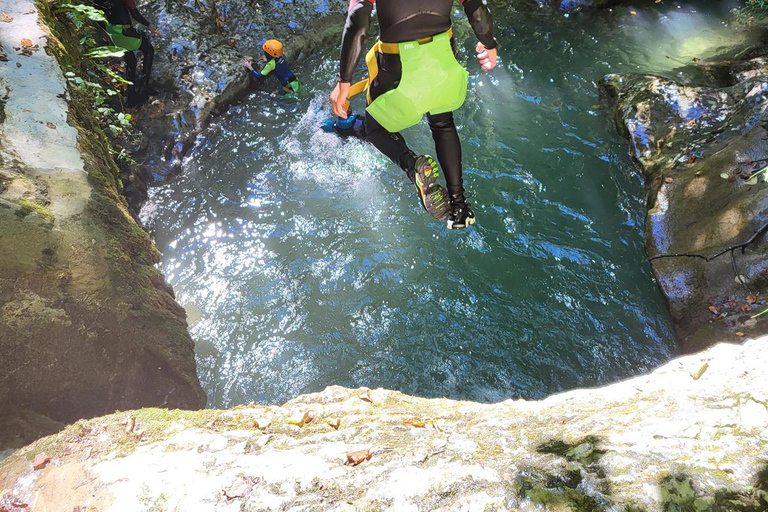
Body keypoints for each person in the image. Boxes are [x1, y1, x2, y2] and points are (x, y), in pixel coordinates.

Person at [330, 0, 497, 229]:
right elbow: (476, 10)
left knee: (375, 128)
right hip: (442, 54)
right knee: (442, 123)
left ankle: (412, 165)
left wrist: (344, 81)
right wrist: (489, 44)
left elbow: (359, 24)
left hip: (398, 60)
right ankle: (459, 206)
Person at [95, 0, 156, 106]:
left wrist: (107, 30)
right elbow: (135, 14)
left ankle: (131, 95)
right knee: (149, 50)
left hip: (115, 35)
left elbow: (97, 16)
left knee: (132, 62)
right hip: (126, 32)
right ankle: (144, 84)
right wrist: (148, 25)